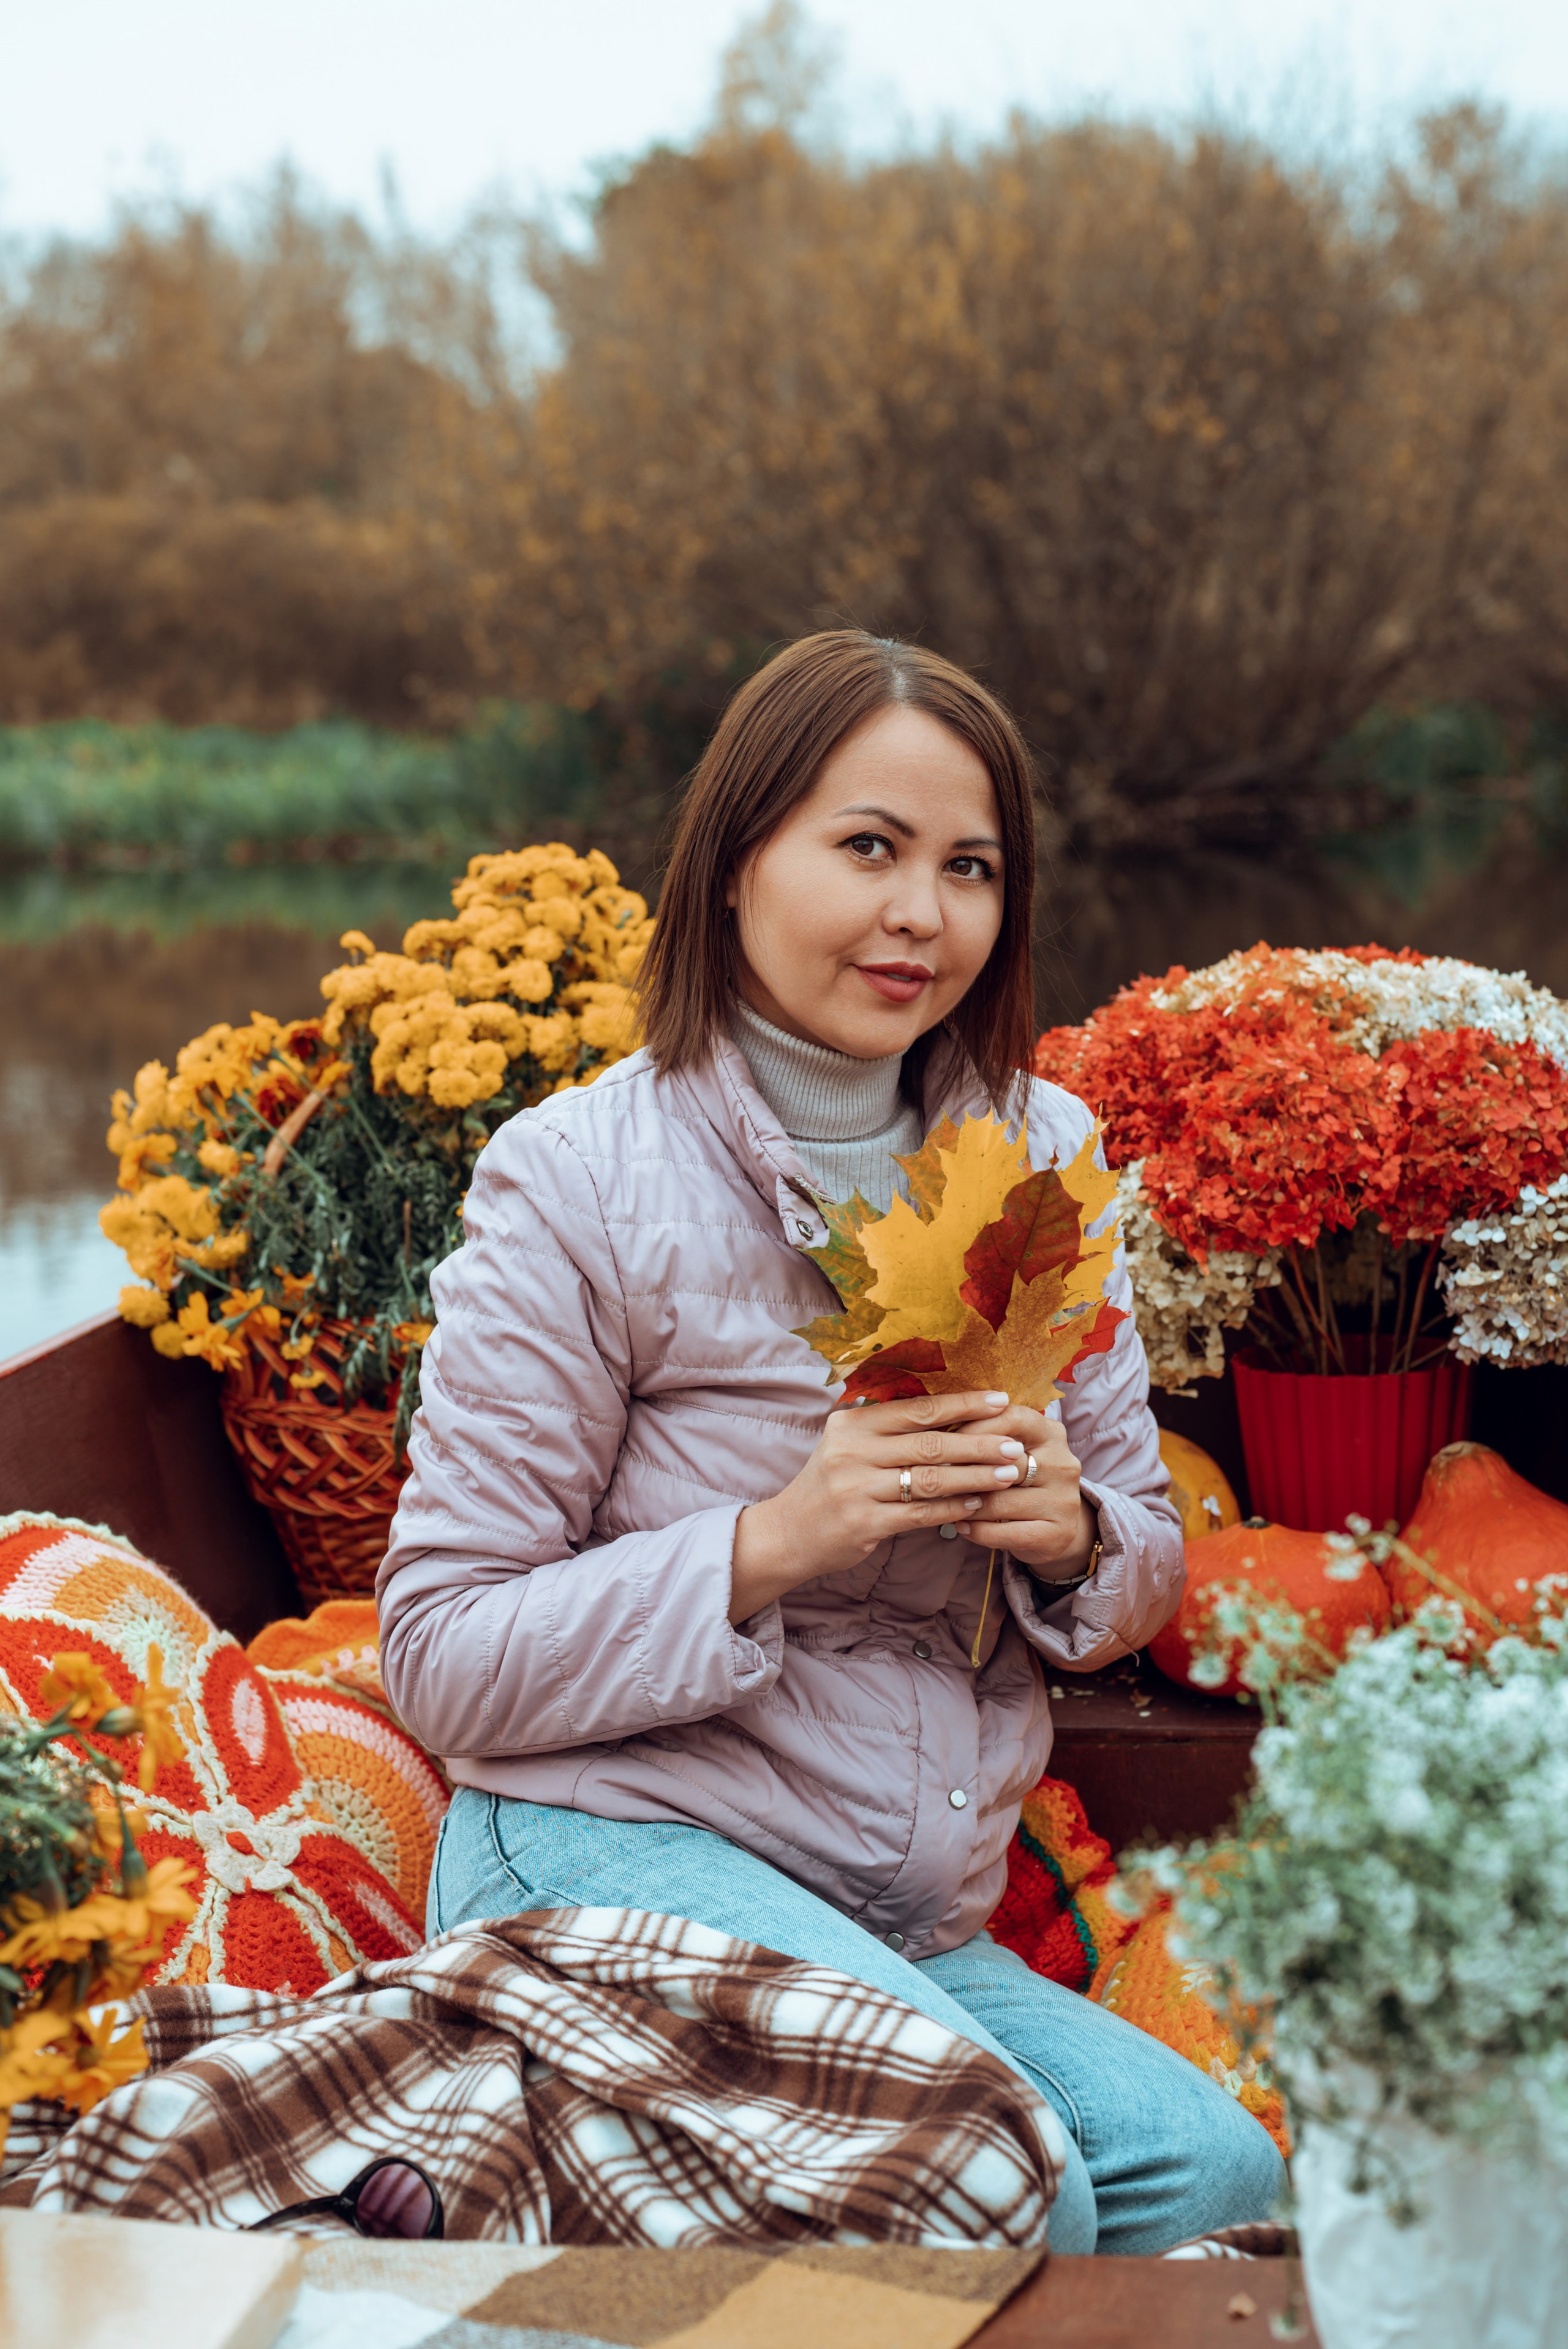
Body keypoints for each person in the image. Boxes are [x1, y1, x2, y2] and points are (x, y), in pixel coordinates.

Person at [377, 630, 1284, 2254]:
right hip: (603, 1839)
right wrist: (771, 1542)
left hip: (896, 1914)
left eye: (969, 866)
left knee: (1214, 2174)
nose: (920, 914)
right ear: (735, 866)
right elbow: (441, 1654)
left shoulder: (1040, 1150)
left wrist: (1069, 1534)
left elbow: (1143, 1559)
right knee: (1015, 2191)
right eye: (866, 847)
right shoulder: (576, 1177)